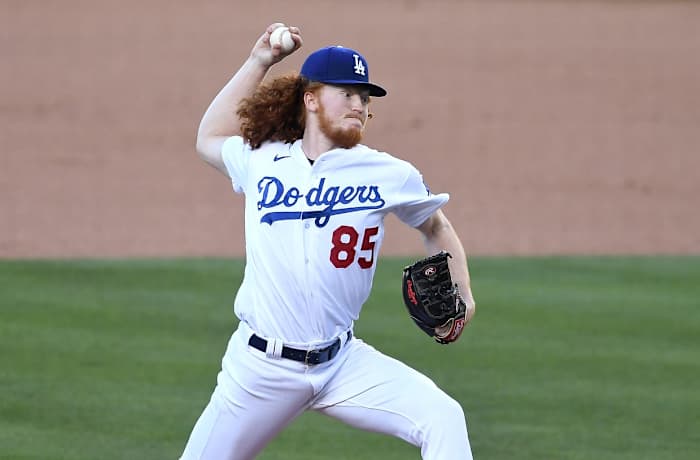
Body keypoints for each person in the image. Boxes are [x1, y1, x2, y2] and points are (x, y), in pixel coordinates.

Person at [180, 23, 477, 460]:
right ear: (311, 98)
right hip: (260, 370)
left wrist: (464, 293)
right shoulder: (264, 161)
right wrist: (259, 61)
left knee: (443, 416)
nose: (359, 104)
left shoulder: (388, 173)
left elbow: (435, 226)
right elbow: (209, 138)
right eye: (347, 92)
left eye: (364, 96)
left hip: (342, 364)